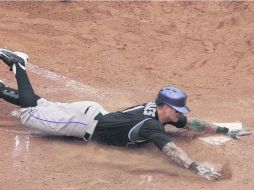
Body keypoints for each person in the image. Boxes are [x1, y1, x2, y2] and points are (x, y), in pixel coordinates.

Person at [0, 48, 251, 181]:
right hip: (83, 122)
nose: (180, 115)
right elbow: (172, 150)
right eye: (177, 110)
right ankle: (18, 64)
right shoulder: (152, 126)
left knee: (42, 106)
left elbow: (193, 123)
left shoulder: (160, 113)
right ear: (165, 107)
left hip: (89, 113)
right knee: (32, 113)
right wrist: (196, 168)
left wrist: (224, 129)